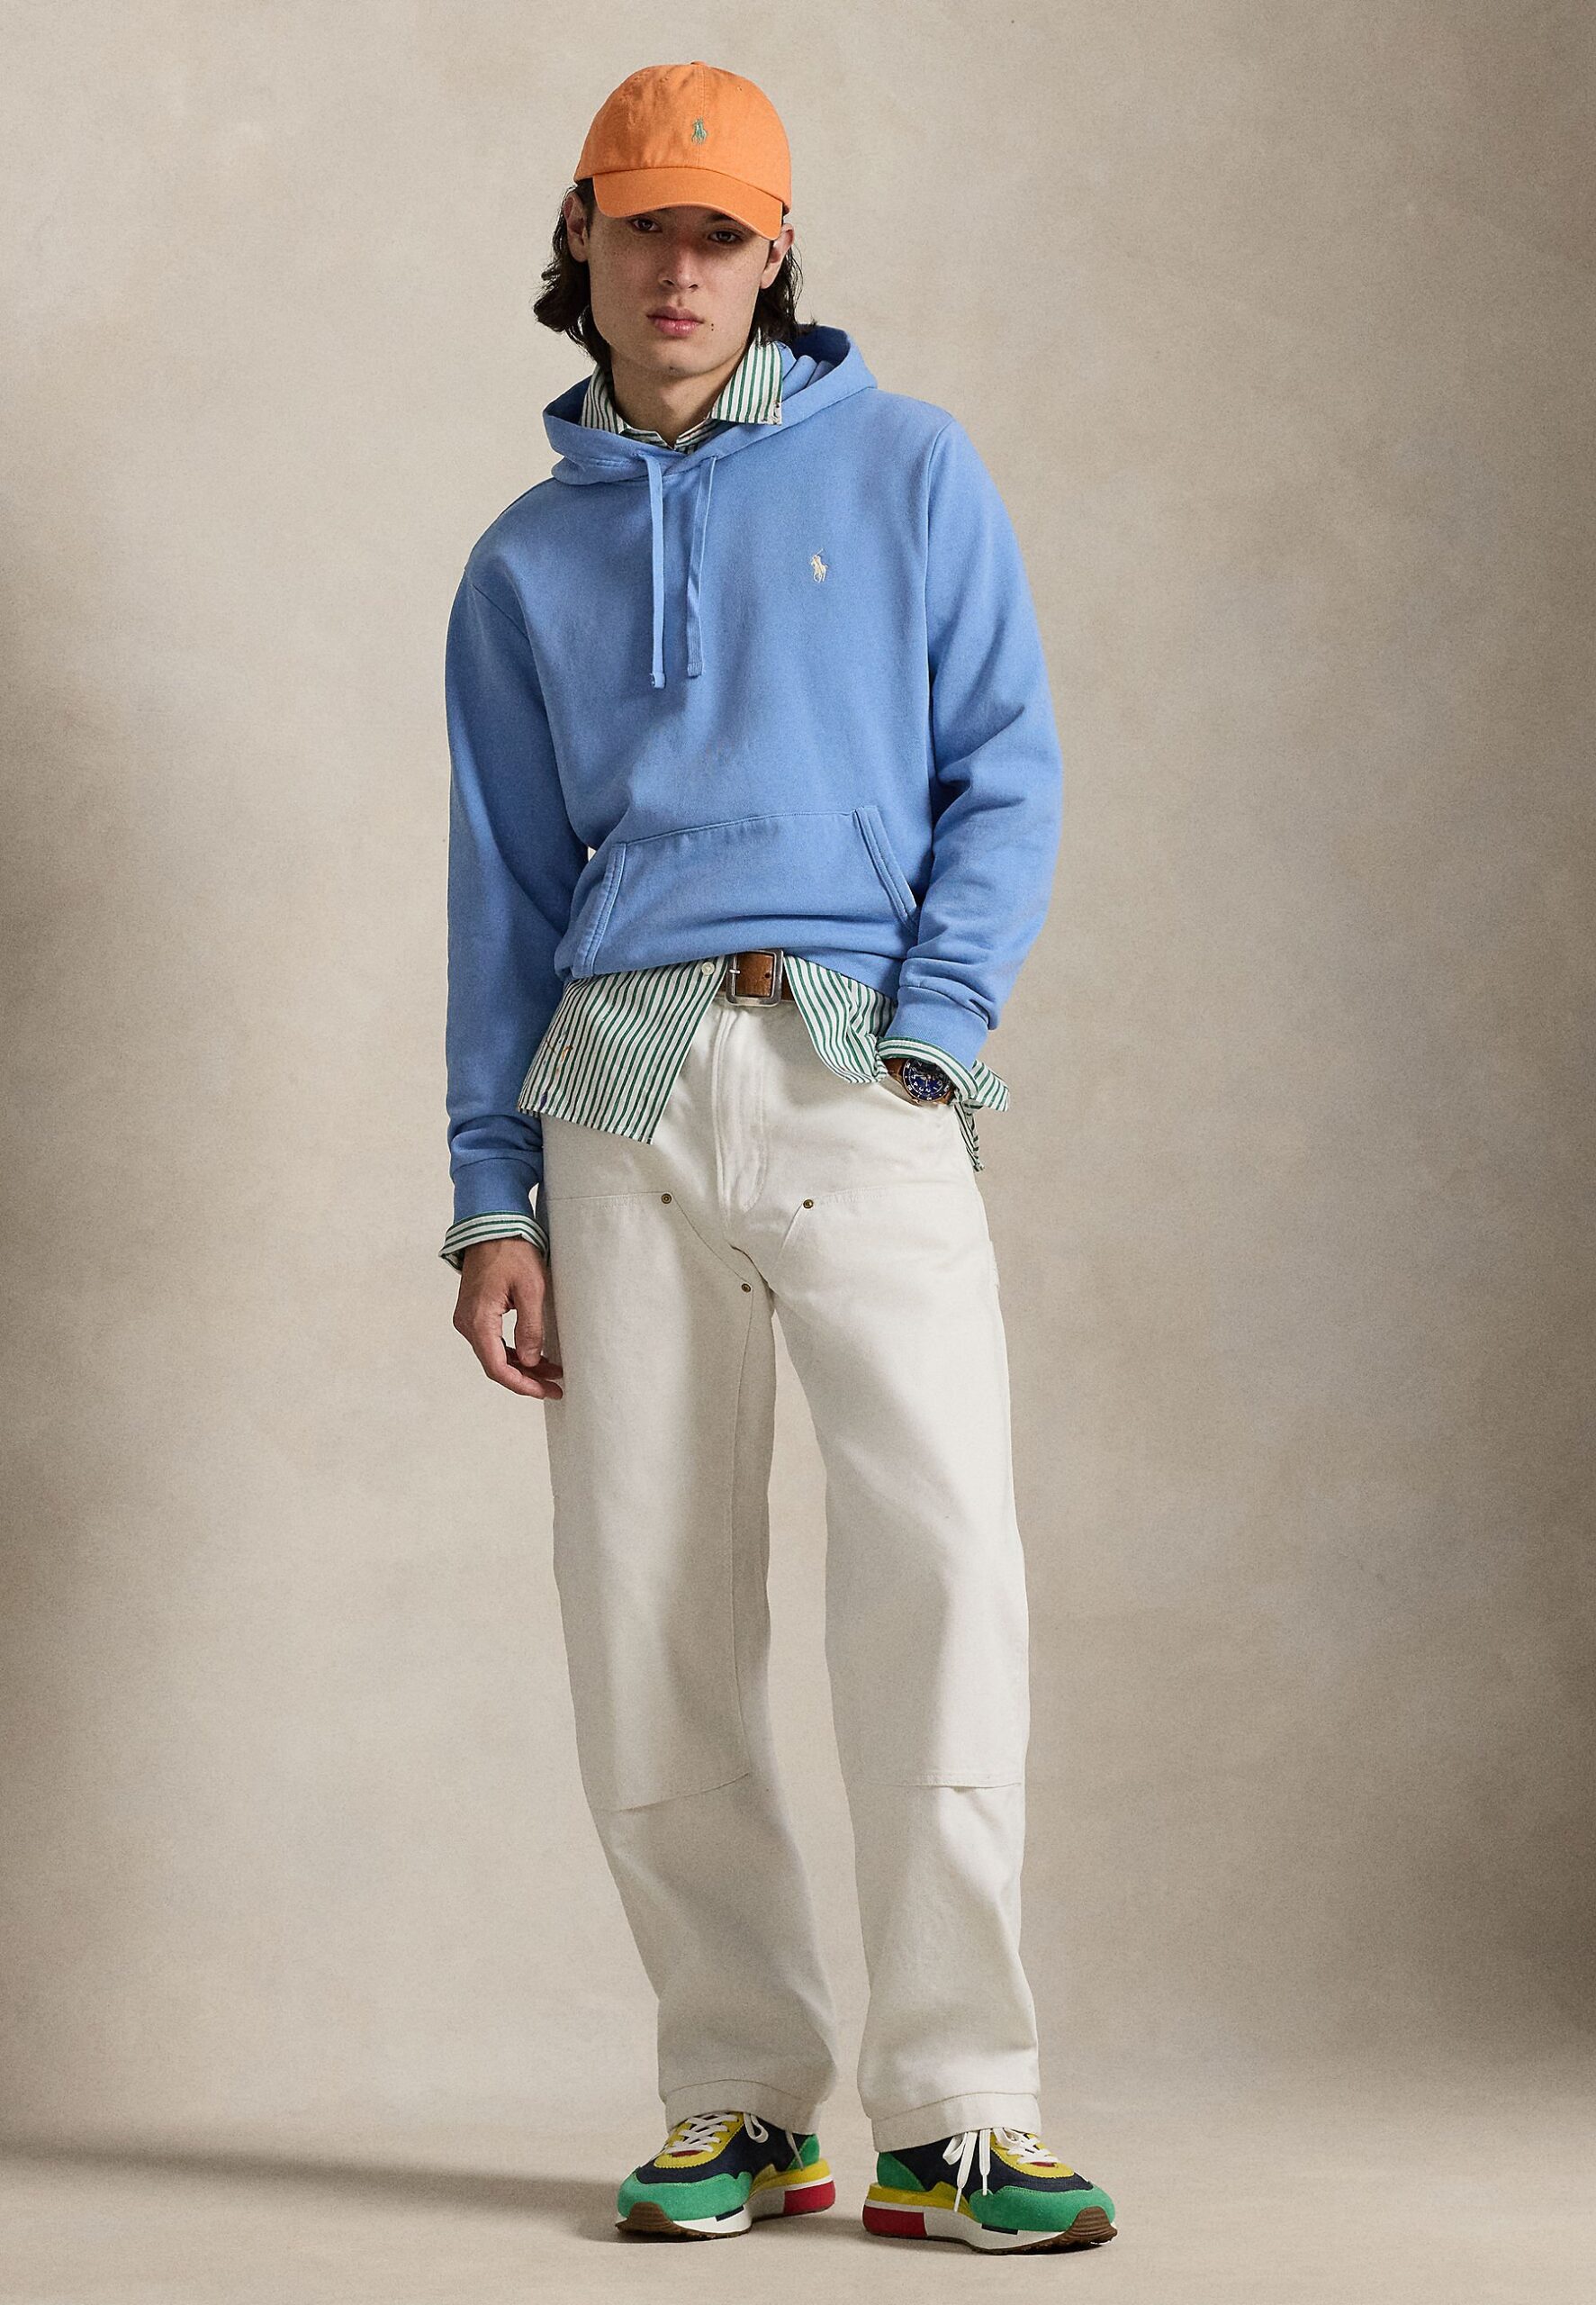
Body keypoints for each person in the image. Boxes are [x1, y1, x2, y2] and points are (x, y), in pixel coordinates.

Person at [439, 59, 1118, 2255]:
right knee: (646, 1605)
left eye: (718, 234)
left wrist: (931, 1035)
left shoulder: (908, 470)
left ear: (774, 254)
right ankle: (735, 2091)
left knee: (940, 1574)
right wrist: (487, 1195)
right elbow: (500, 893)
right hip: (614, 1099)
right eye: (644, 225)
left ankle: (959, 2107)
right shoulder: (521, 561)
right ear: (583, 235)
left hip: (850, 1068)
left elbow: (1003, 765)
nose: (679, 269)